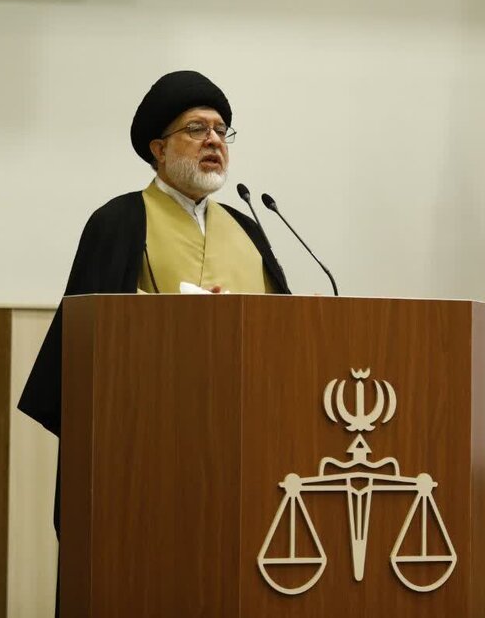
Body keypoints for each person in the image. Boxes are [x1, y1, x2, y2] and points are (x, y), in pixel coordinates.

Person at [17, 70, 291, 536]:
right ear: (158, 149)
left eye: (221, 130)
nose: (214, 140)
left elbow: (283, 337)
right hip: (146, 443)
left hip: (244, 443)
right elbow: (90, 347)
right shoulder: (119, 222)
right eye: (196, 129)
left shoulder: (248, 228)